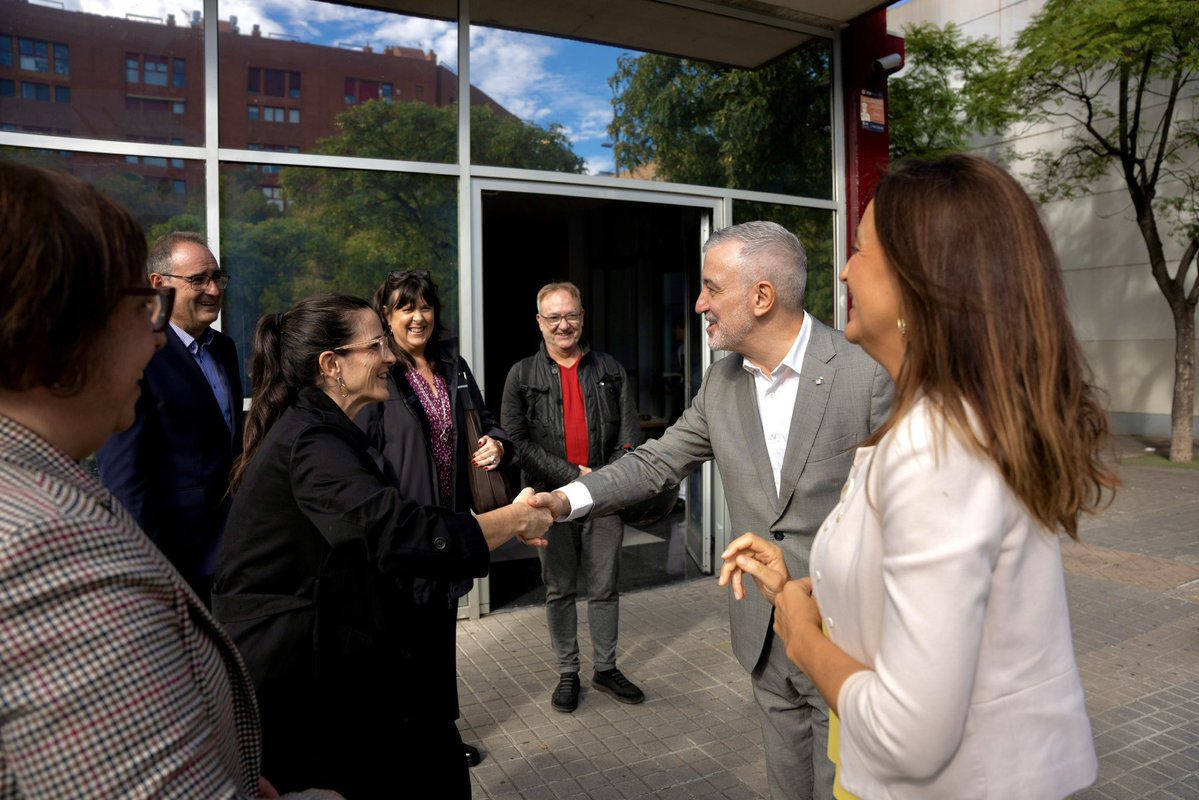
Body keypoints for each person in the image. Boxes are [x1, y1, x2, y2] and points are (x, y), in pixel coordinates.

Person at [720, 154, 1116, 799]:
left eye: (862, 250)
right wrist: (799, 585)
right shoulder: (952, 427)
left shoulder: (938, 451)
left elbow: (910, 733)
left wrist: (799, 632)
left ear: (922, 281)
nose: (844, 269)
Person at [0, 162, 333, 798]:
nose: (155, 336)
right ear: (61, 325)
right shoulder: (46, 556)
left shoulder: (44, 486)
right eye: (141, 307)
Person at [530, 224, 892, 800]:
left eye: (710, 288)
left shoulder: (867, 373)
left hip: (846, 633)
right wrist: (563, 500)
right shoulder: (720, 385)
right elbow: (656, 462)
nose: (698, 303)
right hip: (762, 633)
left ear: (761, 297)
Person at [212, 294, 553, 799]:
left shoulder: (327, 430)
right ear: (331, 365)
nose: (391, 357)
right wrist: (512, 519)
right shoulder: (312, 443)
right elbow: (399, 532)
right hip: (297, 677)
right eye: (376, 345)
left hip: (333, 656)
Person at [357, 268, 514, 768]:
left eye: (424, 306)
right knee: (405, 639)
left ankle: (441, 732)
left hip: (450, 523)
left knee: (441, 637)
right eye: (406, 308)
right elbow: (367, 454)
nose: (418, 317)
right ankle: (407, 740)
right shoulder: (382, 369)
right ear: (387, 316)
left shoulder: (452, 364)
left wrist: (498, 444)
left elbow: (485, 421)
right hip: (407, 529)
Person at [501, 281, 645, 713]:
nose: (564, 325)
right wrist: (572, 477)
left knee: (605, 587)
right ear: (540, 322)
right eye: (555, 317)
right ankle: (568, 673)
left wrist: (604, 481)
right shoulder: (522, 374)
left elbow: (629, 438)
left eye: (572, 316)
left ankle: (606, 668)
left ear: (583, 318)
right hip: (549, 500)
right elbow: (515, 440)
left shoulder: (610, 370)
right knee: (559, 588)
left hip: (603, 497)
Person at [98, 231, 243, 603]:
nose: (213, 289)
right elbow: (124, 473)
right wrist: (147, 567)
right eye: (198, 280)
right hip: (170, 559)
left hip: (230, 552)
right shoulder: (140, 355)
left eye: (217, 278)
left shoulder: (224, 349)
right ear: (159, 285)